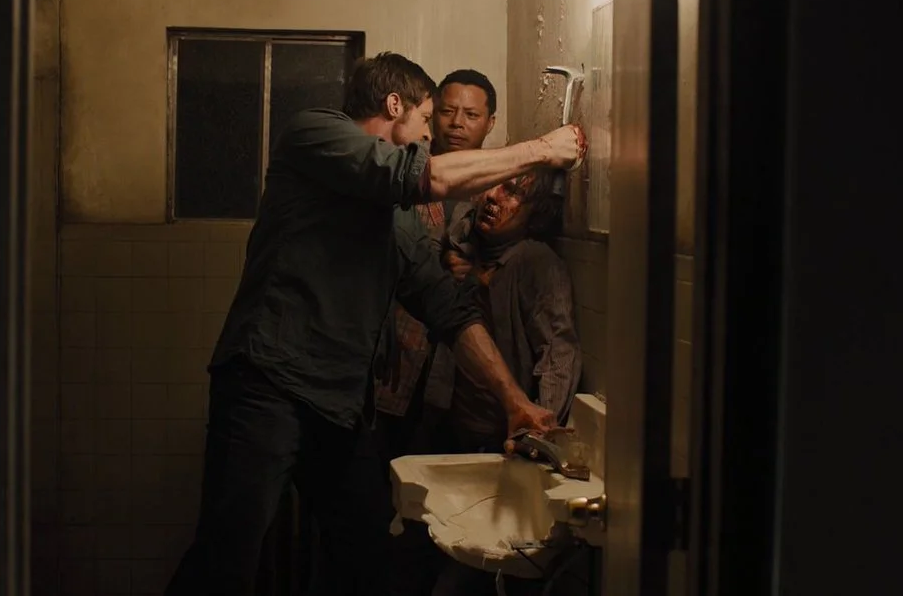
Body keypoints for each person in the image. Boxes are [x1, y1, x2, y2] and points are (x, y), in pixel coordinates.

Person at [163, 52, 586, 596]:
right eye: (427, 118)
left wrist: (514, 402)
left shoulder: (396, 216)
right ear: (393, 106)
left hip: (338, 404)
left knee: (369, 555)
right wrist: (543, 149)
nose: (431, 135)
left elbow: (446, 306)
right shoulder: (315, 133)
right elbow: (420, 175)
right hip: (267, 387)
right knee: (227, 559)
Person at [430, 170, 584, 596]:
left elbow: (559, 350)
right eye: (495, 184)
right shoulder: (473, 251)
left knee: (463, 577)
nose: (494, 197)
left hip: (497, 443)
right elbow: (459, 222)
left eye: (513, 192)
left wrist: (537, 430)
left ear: (535, 215)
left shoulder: (535, 262)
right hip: (452, 431)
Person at [373, 68, 500, 464]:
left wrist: (476, 275)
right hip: (394, 357)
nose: (457, 123)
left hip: (464, 374)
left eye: (471, 115)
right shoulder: (402, 173)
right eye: (446, 111)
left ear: (490, 123)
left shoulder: (498, 189)